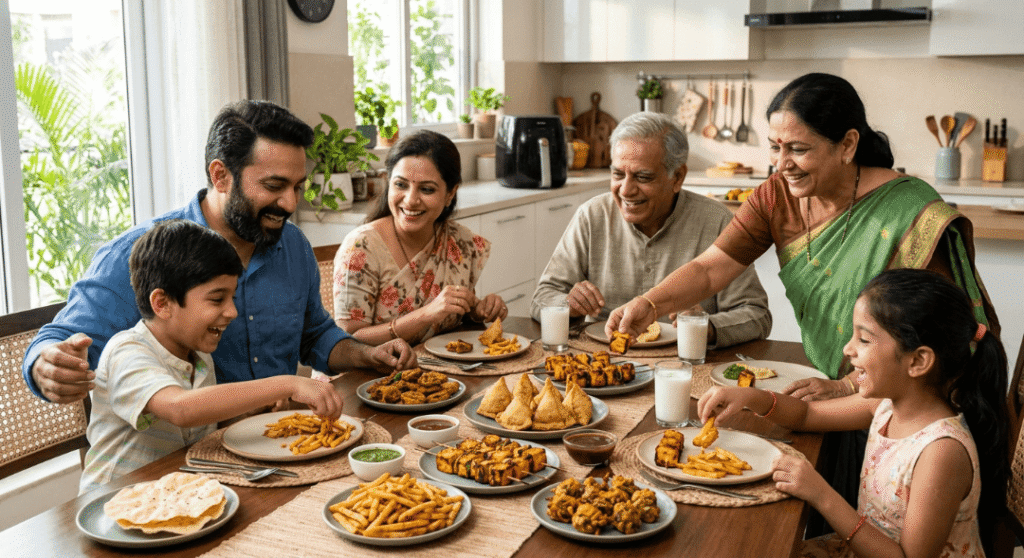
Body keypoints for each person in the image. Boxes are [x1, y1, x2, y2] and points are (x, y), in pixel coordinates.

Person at [608, 73, 998, 399]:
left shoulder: (910, 210)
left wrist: (848, 386)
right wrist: (649, 304)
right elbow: (711, 270)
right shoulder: (776, 195)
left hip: (908, 405)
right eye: (775, 148)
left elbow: (940, 340)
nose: (781, 164)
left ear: (847, 145)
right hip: (828, 384)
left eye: (797, 149)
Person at [25, 100, 415, 404]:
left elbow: (314, 336)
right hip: (176, 468)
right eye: (274, 185)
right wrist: (47, 365)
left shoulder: (292, 245)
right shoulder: (142, 252)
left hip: (276, 445)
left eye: (297, 186)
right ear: (220, 175)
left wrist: (367, 355)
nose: (290, 202)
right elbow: (58, 339)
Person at [697, 268, 1008, 558]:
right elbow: (807, 415)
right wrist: (752, 397)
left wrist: (820, 493)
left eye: (864, 339)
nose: (848, 349)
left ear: (918, 361)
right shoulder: (886, 406)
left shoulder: (941, 451)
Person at [80, 220, 343, 494]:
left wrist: (252, 409)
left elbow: (199, 426)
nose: (232, 312)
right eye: (218, 299)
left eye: (232, 298)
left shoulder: (199, 356)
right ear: (162, 303)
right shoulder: (127, 351)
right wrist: (289, 383)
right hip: (110, 503)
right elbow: (181, 409)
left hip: (175, 495)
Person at [531, 112, 770, 348]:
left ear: (677, 177)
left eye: (642, 177)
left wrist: (707, 327)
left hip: (684, 366)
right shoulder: (591, 216)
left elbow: (757, 315)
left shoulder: (716, 221)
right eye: (617, 174)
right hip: (603, 361)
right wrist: (566, 305)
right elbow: (543, 297)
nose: (625, 190)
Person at [333, 130, 506, 345]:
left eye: (426, 189)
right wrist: (426, 314)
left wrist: (477, 310)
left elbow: (452, 316)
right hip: (366, 376)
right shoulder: (361, 248)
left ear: (450, 194)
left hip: (436, 372)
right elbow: (349, 340)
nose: (411, 200)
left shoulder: (459, 241)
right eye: (401, 185)